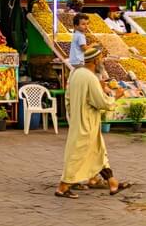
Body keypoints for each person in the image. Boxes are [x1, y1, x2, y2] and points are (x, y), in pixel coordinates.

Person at [56, 45, 132, 199]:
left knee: (99, 152)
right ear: (96, 60)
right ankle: (63, 187)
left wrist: (73, 114)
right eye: (101, 59)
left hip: (79, 119)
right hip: (87, 122)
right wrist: (116, 96)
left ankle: (112, 182)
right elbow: (100, 102)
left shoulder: (76, 73)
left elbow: (68, 97)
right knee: (78, 155)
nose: (102, 62)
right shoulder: (90, 77)